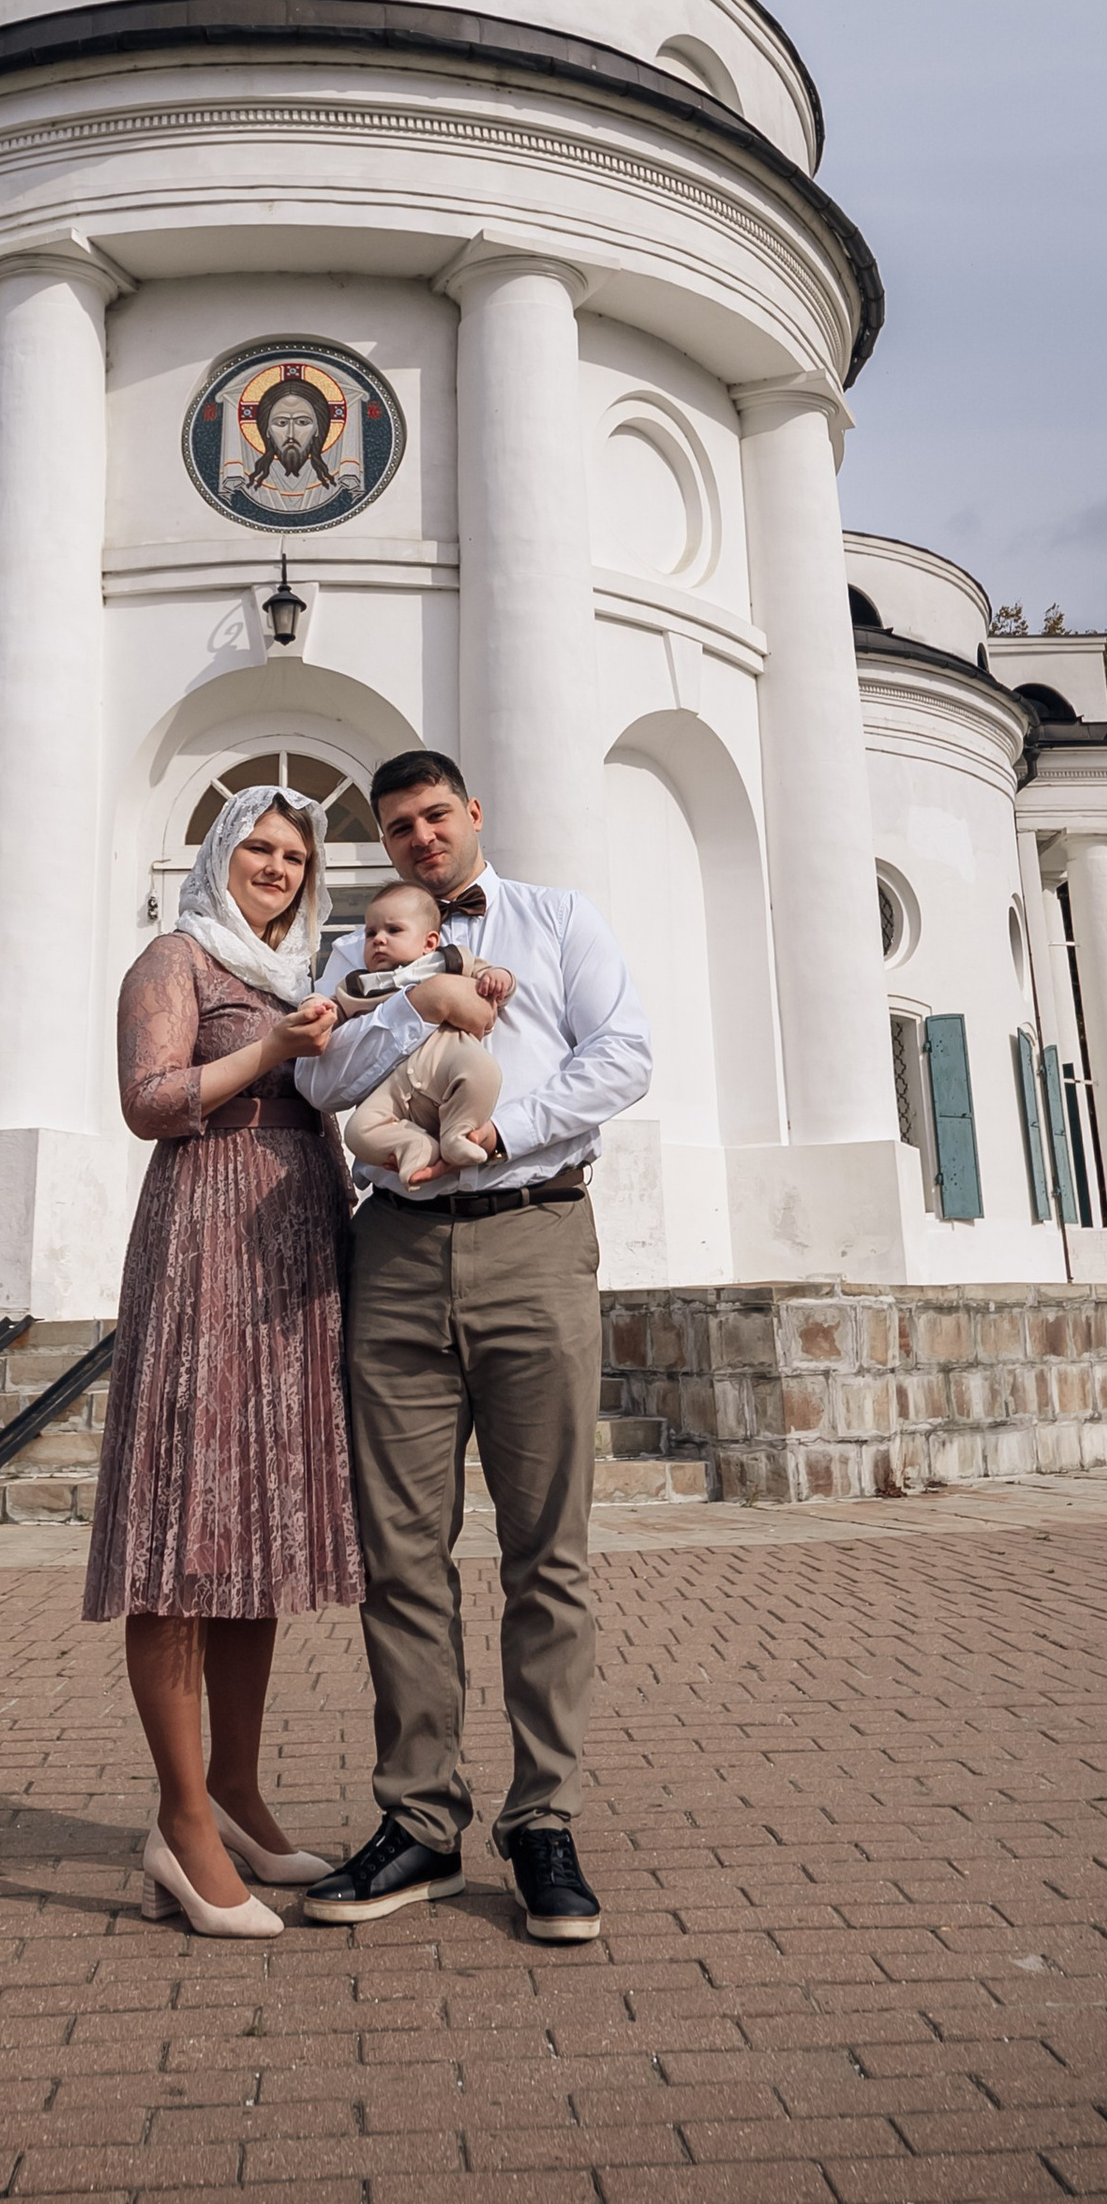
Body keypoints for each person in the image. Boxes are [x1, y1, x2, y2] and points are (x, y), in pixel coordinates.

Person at [293, 748, 652, 1947]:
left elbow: (623, 1057)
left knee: (547, 1555)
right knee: (402, 1556)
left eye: (434, 816)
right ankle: (420, 1823)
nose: (419, 839)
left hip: (533, 1241)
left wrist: (501, 1132)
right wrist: (409, 991)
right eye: (397, 827)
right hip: (392, 1255)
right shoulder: (364, 956)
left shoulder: (556, 921)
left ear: (472, 815)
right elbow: (326, 1083)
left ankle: (542, 1819)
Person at [83, 784, 362, 1938]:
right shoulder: (176, 959)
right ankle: (181, 1821)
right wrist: (267, 1061)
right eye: (258, 846)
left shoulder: (301, 979)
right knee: (182, 1531)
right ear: (217, 852)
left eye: (294, 854)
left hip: (297, 1253)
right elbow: (148, 1103)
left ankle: (239, 1793)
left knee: (256, 1527)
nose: (278, 866)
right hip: (204, 1240)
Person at [340, 883, 515, 1181]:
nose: (378, 940)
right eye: (371, 933)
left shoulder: (448, 962)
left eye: (393, 931)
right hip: (393, 1080)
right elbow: (336, 1010)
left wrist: (499, 979)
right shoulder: (362, 984)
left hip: (447, 1058)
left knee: (483, 1073)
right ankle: (414, 1144)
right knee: (357, 1131)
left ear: (429, 942)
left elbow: (495, 980)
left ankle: (456, 1133)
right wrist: (317, 1008)